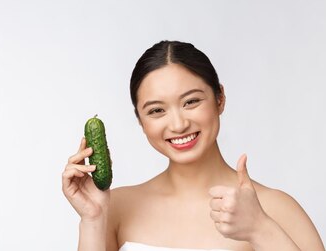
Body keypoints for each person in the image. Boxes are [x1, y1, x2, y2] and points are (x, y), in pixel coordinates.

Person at [61, 40, 325, 251]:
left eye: (191, 102)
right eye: (156, 110)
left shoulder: (275, 208)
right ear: (140, 121)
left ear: (220, 99)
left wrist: (260, 229)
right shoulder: (115, 207)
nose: (177, 125)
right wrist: (93, 220)